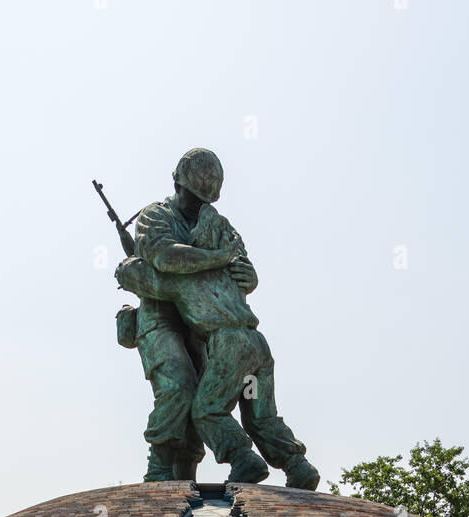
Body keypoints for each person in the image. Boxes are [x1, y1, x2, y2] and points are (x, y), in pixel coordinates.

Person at [116, 149, 319, 491]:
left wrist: (238, 269)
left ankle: (246, 458)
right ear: (177, 184)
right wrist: (217, 260)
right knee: (179, 387)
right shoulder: (156, 216)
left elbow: (244, 272)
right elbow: (165, 259)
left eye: (202, 198)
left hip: (212, 332)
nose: (197, 204)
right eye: (192, 195)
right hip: (165, 318)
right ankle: (162, 468)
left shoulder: (217, 225)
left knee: (206, 408)